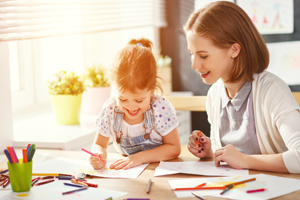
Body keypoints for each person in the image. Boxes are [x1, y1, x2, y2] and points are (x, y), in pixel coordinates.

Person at [184, 1, 300, 173]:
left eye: (203, 55)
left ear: (234, 50)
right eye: (192, 54)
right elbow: (229, 158)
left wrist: (244, 160)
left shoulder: (272, 91)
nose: (194, 65)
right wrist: (210, 151)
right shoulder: (214, 95)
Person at [89, 38, 181, 170]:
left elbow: (174, 149)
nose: (131, 107)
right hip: (129, 176)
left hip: (158, 172)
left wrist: (140, 157)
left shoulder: (159, 108)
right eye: (123, 99)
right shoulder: (111, 109)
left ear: (152, 89)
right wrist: (98, 154)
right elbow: (99, 144)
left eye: (139, 100)